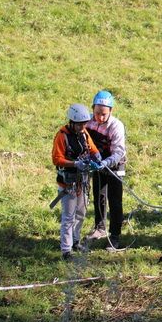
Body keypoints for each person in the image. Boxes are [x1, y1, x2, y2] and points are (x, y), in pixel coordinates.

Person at [51, 104, 101, 260]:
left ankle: (75, 241)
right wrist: (74, 164)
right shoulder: (62, 136)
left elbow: (91, 148)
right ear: (72, 122)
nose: (82, 126)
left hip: (83, 181)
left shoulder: (84, 133)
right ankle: (66, 250)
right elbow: (56, 158)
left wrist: (97, 155)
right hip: (69, 184)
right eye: (79, 124)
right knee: (69, 217)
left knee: (81, 213)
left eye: (84, 123)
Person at [85, 90, 127, 249]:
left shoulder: (116, 126)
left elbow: (119, 151)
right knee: (99, 196)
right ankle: (100, 228)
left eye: (103, 114)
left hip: (115, 165)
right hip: (97, 164)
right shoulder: (89, 121)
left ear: (111, 111)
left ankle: (115, 235)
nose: (100, 117)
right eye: (97, 113)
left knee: (115, 200)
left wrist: (106, 163)